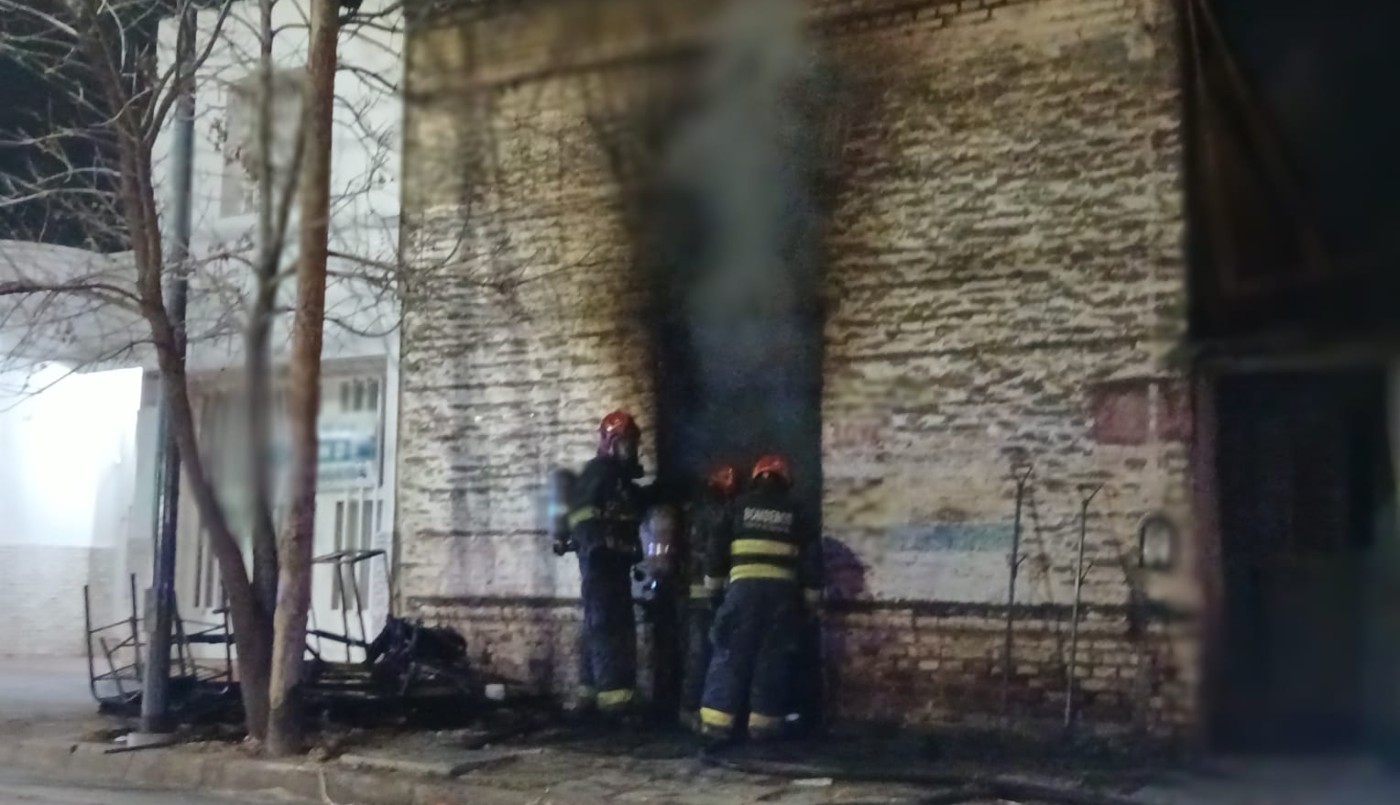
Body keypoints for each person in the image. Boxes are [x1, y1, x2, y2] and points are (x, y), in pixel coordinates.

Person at [699, 454, 822, 741]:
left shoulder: (737, 506)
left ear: (756, 479)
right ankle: (763, 725)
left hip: (742, 592)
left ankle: (716, 723)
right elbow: (812, 559)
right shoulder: (798, 511)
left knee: (730, 651)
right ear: (786, 481)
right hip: (783, 596)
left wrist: (713, 590)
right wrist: (811, 600)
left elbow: (716, 547)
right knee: (772, 657)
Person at [566, 410, 649, 718]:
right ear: (612, 443)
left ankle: (590, 693)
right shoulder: (600, 472)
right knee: (610, 627)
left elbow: (638, 502)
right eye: (628, 444)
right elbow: (581, 516)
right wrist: (599, 546)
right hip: (602, 565)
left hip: (614, 565)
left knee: (600, 625)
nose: (633, 450)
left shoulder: (618, 481)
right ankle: (617, 702)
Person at [680, 463, 738, 730]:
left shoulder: (696, 511)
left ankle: (694, 709)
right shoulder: (716, 514)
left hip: (697, 595)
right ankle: (696, 710)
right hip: (707, 596)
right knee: (705, 653)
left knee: (700, 654)